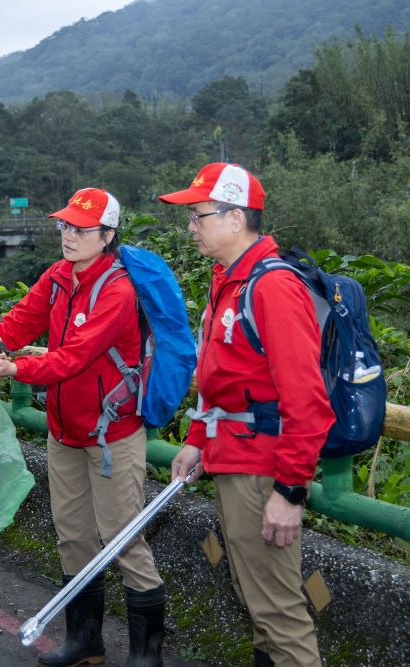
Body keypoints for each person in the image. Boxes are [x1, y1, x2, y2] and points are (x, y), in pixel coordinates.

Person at [0, 188, 167, 667]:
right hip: (65, 429)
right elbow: (11, 330)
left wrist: (17, 371)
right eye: (66, 226)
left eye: (83, 229)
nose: (70, 236)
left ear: (109, 235)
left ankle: (146, 654)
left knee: (122, 538)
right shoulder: (57, 277)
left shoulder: (117, 289)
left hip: (113, 433)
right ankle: (85, 642)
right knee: (72, 535)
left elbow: (74, 358)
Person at [163, 163, 333, 667]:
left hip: (262, 470)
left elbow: (308, 401)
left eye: (198, 215)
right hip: (231, 458)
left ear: (236, 218)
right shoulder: (230, 281)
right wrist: (197, 437)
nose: (191, 226)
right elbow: (219, 378)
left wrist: (290, 490)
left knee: (279, 612)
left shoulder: (272, 287)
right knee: (256, 602)